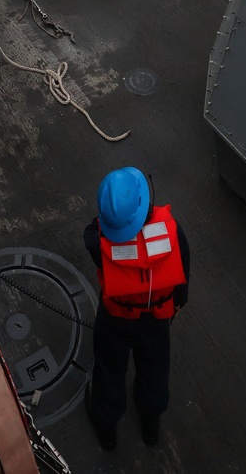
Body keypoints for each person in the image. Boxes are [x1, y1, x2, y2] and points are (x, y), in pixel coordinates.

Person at [83, 167, 189, 451]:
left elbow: (92, 229)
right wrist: (178, 301)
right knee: (155, 369)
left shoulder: (98, 242)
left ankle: (107, 429)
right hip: (156, 323)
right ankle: (151, 424)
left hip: (115, 322)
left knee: (109, 370)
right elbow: (182, 273)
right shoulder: (173, 232)